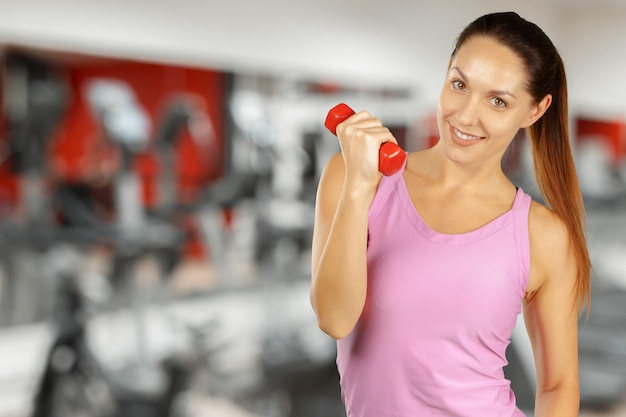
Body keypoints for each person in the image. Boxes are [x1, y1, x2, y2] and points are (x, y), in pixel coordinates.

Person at [310, 11, 591, 417]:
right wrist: (359, 183)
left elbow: (559, 384)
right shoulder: (351, 178)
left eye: (497, 101)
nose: (464, 115)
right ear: (445, 73)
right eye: (460, 84)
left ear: (534, 110)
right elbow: (335, 319)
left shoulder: (542, 235)